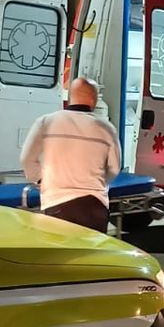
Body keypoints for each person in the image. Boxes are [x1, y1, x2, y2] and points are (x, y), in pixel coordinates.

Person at [20, 78, 121, 232]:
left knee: (61, 253)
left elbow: (27, 159)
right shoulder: (107, 129)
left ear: (69, 97)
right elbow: (114, 168)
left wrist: (42, 179)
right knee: (92, 254)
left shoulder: (46, 122)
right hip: (95, 206)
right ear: (93, 100)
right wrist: (97, 182)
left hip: (57, 204)